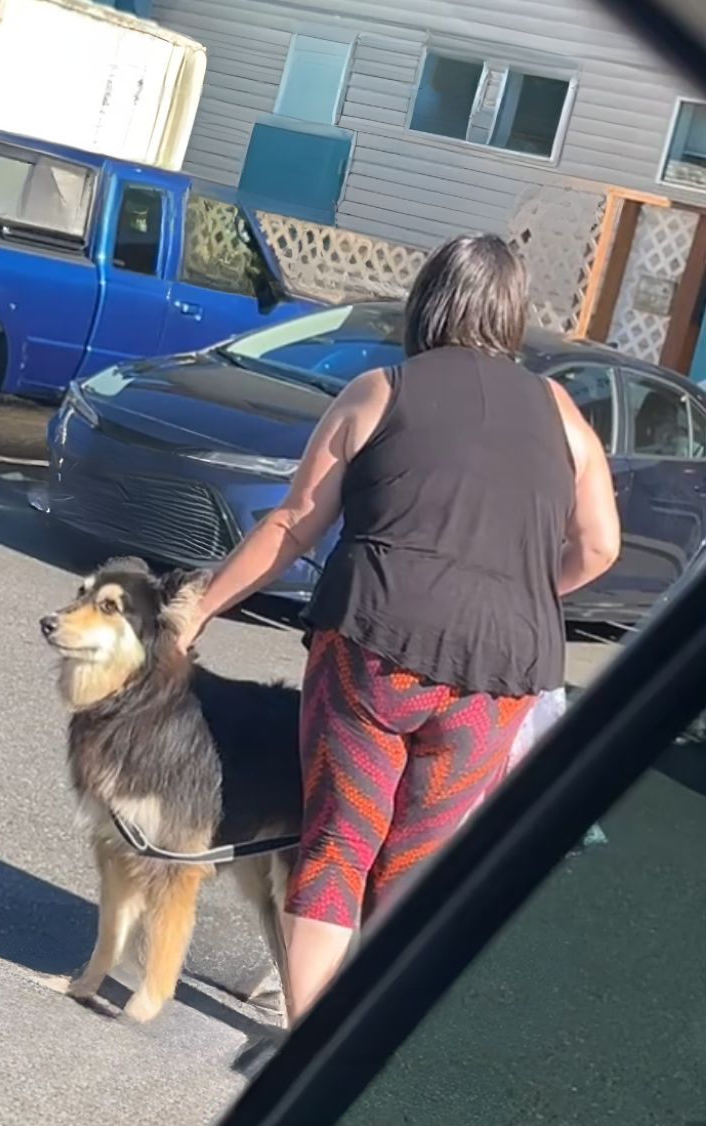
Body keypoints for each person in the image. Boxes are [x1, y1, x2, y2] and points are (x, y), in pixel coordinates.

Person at [175, 234, 621, 1025]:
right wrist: (525, 591)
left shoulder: (381, 390)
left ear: (428, 302)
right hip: (497, 680)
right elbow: (600, 546)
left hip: (374, 650)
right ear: (512, 313)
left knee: (339, 844)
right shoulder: (562, 414)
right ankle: (363, 1038)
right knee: (414, 863)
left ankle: (305, 1044)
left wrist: (201, 606)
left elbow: (291, 526)